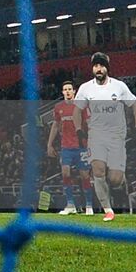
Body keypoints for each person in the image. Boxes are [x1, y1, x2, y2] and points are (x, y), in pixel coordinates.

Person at [74, 51, 136, 222]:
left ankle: (122, 182)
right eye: (96, 65)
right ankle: (108, 210)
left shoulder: (119, 86)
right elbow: (77, 111)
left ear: (107, 68)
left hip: (117, 136)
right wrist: (78, 130)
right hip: (96, 136)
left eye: (102, 65)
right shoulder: (85, 88)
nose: (98, 68)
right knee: (98, 170)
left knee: (115, 179)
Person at [46, 81, 92, 215]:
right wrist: (49, 144)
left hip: (81, 146)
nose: (67, 91)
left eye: (69, 89)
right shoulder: (58, 107)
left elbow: (89, 124)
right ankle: (70, 204)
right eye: (65, 89)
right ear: (62, 92)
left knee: (84, 175)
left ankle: (89, 205)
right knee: (65, 173)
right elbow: (55, 125)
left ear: (74, 91)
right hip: (66, 146)